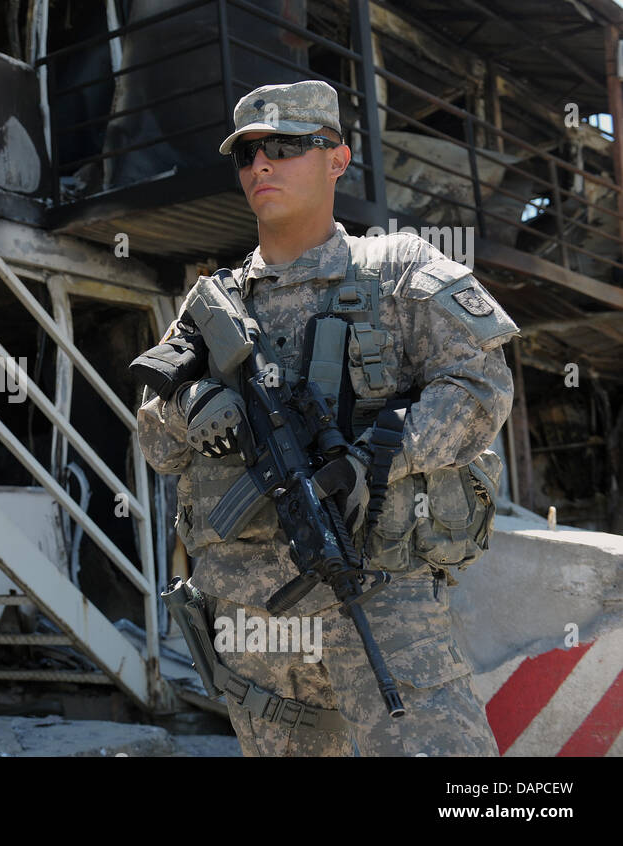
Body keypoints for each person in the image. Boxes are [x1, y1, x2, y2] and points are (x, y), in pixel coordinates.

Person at [138, 79, 519, 756]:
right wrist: (191, 403)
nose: (262, 165)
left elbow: (481, 388)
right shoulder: (214, 306)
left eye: (286, 147)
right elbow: (157, 445)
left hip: (380, 598)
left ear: (337, 159)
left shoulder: (398, 273)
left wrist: (374, 458)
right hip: (256, 620)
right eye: (248, 153)